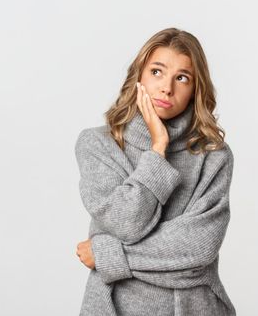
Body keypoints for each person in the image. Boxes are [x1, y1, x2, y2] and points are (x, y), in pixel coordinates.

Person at [74, 27, 237, 315]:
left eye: (182, 78)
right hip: (116, 307)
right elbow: (126, 222)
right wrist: (158, 147)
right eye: (157, 72)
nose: (167, 88)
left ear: (195, 89)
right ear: (139, 76)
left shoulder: (214, 156)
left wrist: (107, 255)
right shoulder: (98, 145)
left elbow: (199, 249)